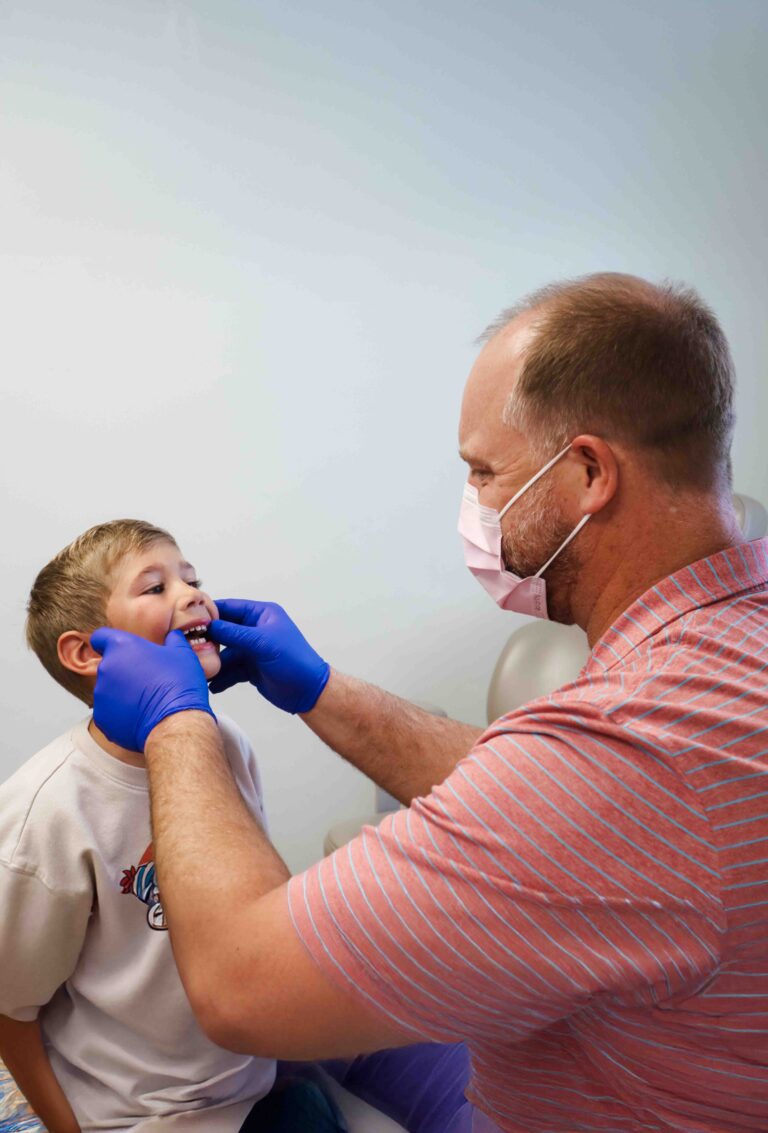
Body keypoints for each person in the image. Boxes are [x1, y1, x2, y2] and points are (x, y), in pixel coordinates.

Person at [89, 274, 768, 1133]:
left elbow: (238, 986)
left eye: (486, 472)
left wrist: (176, 721)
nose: (477, 502)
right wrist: (320, 689)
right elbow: (548, 804)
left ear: (590, 471)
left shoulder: (634, 745)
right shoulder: (721, 644)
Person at [0, 520, 315, 1133]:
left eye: (193, 579)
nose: (192, 594)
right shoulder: (48, 810)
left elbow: (259, 909)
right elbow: (10, 1010)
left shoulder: (227, 742)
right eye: (155, 587)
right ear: (87, 653)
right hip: (136, 1117)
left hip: (253, 1083)